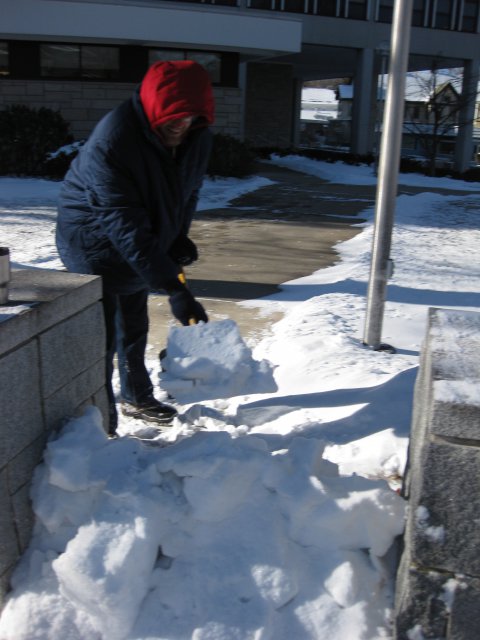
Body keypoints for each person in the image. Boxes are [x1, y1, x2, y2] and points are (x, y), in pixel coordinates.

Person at [56, 60, 214, 435]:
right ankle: (99, 422)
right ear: (153, 106)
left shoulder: (196, 136)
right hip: (93, 242)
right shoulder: (112, 143)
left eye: (191, 116)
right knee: (104, 338)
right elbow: (122, 222)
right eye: (174, 115)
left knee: (134, 323)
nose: (183, 123)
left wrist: (176, 237)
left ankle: (136, 396)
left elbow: (187, 192)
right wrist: (176, 287)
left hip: (141, 235)